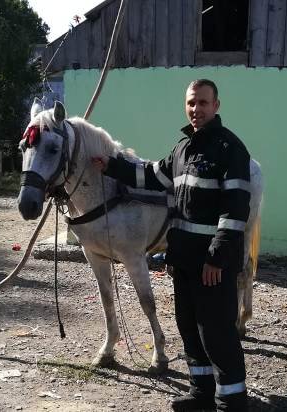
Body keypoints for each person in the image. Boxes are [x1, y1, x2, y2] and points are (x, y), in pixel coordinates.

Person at [93, 79, 250, 411]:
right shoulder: (182, 150)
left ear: (216, 106)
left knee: (217, 333)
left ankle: (232, 402)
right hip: (184, 261)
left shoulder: (229, 150)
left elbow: (235, 211)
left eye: (204, 103)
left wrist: (217, 258)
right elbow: (151, 175)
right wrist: (112, 166)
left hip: (212, 266)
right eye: (192, 103)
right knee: (189, 328)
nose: (197, 109)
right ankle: (201, 392)